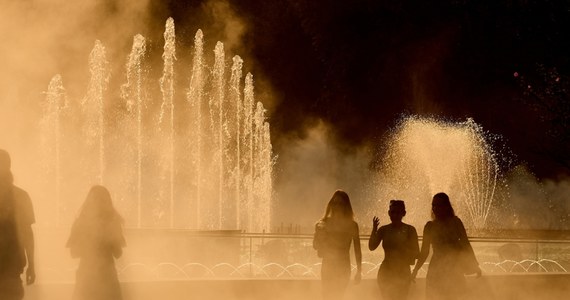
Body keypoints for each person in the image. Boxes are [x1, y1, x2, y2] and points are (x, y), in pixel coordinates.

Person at [411, 192, 481, 300]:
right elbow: (425, 251)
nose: (435, 208)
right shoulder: (429, 227)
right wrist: (415, 270)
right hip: (436, 269)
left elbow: (465, 244)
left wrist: (474, 265)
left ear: (446, 206)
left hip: (453, 268)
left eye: (439, 205)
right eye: (433, 205)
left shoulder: (456, 222)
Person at [67, 185, 126, 300]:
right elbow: (118, 254)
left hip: (86, 277)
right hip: (107, 276)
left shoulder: (80, 222)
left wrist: (90, 245)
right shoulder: (112, 222)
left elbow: (73, 253)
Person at [313, 190, 362, 300]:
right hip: (328, 265)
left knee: (339, 295)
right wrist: (319, 236)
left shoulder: (352, 225)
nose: (337, 206)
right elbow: (316, 246)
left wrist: (359, 271)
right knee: (326, 295)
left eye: (340, 203)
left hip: (343, 266)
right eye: (335, 203)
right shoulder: (323, 223)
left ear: (346, 206)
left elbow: (357, 249)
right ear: (331, 204)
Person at [0, 149, 35, 300]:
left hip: (12, 269)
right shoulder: (21, 196)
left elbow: (27, 234)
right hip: (13, 269)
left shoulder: (21, 197)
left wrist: (32, 265)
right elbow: (28, 234)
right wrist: (31, 266)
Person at [369, 200, 419, 300]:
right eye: (392, 212)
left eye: (398, 212)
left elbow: (417, 253)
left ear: (403, 213)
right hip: (385, 272)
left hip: (403, 272)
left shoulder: (410, 230)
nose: (395, 215)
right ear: (388, 213)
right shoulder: (384, 229)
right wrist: (374, 229)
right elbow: (372, 247)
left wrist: (403, 251)